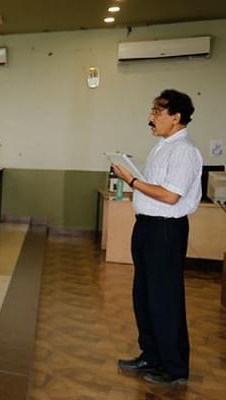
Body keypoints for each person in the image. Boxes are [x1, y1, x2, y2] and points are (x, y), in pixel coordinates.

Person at [112, 89, 202, 386]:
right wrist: (136, 179)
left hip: (165, 230)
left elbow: (170, 196)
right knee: (144, 295)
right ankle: (151, 354)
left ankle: (174, 367)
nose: (151, 118)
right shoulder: (162, 147)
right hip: (148, 227)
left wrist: (131, 179)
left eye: (157, 112)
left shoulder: (184, 151)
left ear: (176, 117)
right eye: (152, 111)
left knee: (164, 298)